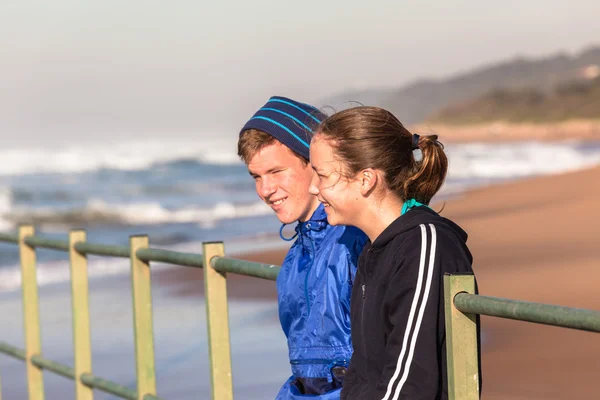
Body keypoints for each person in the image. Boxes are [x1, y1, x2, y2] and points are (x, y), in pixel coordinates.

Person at [308, 106, 482, 400]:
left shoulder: (425, 244)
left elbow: (410, 381)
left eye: (322, 175)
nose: (314, 188)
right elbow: (362, 375)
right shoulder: (374, 247)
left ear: (365, 179)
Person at [237, 96, 367, 399]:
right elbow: (307, 374)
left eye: (276, 172)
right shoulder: (295, 259)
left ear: (315, 162)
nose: (265, 190)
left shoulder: (358, 238)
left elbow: (384, 364)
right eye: (256, 177)